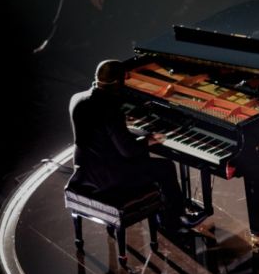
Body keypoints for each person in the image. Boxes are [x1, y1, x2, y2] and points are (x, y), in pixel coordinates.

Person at [69, 59, 187, 233]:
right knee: (166, 167)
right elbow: (128, 151)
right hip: (110, 178)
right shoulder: (109, 109)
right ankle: (176, 220)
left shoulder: (77, 99)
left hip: (85, 169)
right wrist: (149, 140)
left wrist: (123, 127)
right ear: (118, 82)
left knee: (145, 158)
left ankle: (159, 210)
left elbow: (99, 132)